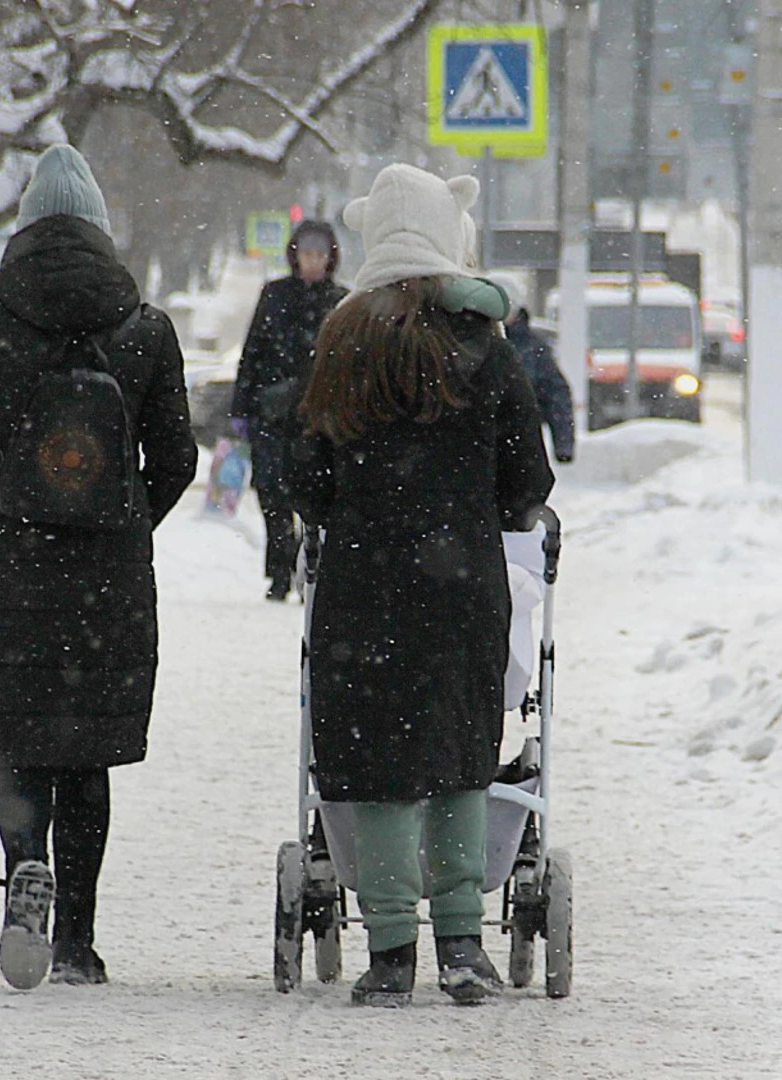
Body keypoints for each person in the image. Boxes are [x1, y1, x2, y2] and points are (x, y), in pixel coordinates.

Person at [0, 145, 198, 990]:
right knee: (87, 751)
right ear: (100, 228)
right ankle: (76, 937)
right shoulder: (147, 330)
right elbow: (177, 458)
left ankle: (23, 867)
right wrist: (124, 517)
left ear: (26, 226)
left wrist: (0, 513)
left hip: (12, 570)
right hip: (108, 579)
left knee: (17, 734)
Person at [291, 164, 554, 1007]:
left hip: (364, 590)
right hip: (461, 587)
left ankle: (392, 954)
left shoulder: (341, 342)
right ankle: (462, 947)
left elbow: (306, 478)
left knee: (379, 760)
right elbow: (527, 479)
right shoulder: (486, 345)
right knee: (456, 754)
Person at [230, 220, 348, 600]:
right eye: (306, 254)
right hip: (274, 416)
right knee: (273, 495)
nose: (312, 262)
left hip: (320, 419)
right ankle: (280, 570)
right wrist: (242, 406)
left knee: (315, 496)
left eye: (320, 255)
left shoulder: (341, 302)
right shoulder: (275, 295)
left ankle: (310, 566)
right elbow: (253, 352)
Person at [488, 272, 576, 463]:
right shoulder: (463, 343)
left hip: (519, 442)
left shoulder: (532, 347)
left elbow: (556, 394)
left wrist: (563, 444)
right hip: (475, 445)